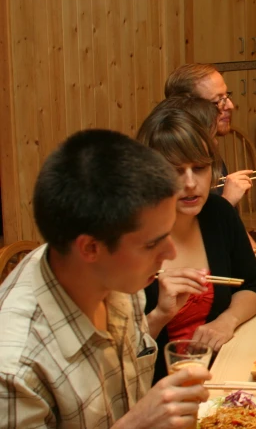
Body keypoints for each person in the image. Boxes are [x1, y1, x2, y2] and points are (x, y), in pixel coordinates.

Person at [0, 129, 210, 428]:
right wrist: (137, 423)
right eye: (152, 243)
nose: (171, 253)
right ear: (90, 247)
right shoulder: (15, 368)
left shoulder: (117, 278)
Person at [137, 105, 256, 383]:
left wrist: (227, 320)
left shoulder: (218, 214)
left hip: (223, 371)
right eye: (175, 171)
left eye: (199, 168)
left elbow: (254, 284)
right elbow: (116, 355)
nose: (190, 183)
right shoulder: (130, 239)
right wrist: (161, 314)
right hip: (155, 390)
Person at [165, 63, 253, 207]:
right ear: (190, 106)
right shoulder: (175, 155)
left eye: (227, 96)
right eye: (218, 100)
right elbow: (191, 224)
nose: (230, 106)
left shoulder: (210, 144)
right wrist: (227, 202)